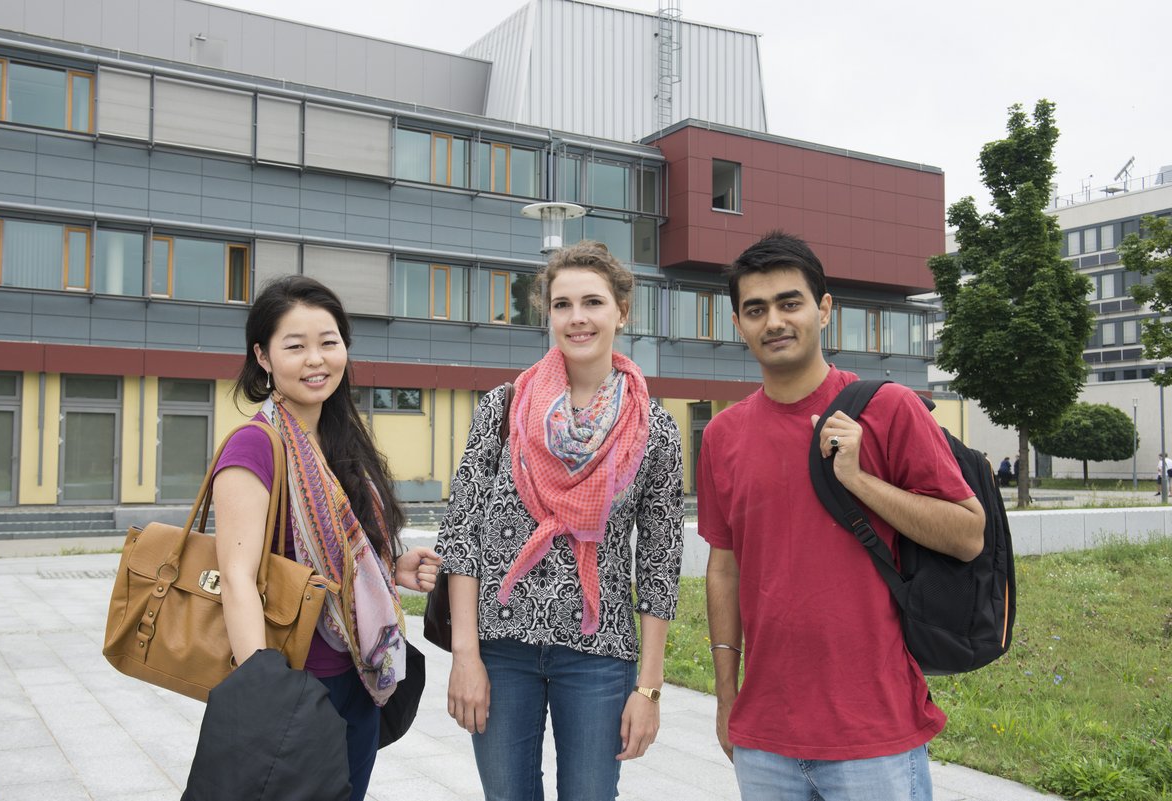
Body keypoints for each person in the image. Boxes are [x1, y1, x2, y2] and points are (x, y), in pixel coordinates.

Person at [697, 231, 985, 800]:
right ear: (738, 324)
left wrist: (858, 481)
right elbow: (724, 568)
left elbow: (968, 534)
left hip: (874, 732)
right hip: (766, 735)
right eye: (756, 309)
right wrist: (726, 694)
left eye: (790, 302)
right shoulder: (724, 435)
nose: (774, 321)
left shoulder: (888, 409)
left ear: (824, 309)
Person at [436, 240, 684, 801]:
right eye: (562, 304)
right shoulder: (503, 409)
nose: (577, 318)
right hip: (501, 649)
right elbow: (463, 536)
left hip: (600, 656)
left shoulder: (654, 430)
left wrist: (648, 688)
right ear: (546, 313)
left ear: (622, 311)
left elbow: (661, 565)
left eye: (593, 302)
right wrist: (466, 658)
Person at [212, 275, 440, 800]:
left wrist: (393, 566)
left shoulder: (340, 442)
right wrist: (265, 690)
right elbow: (237, 577)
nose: (316, 359)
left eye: (329, 342)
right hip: (293, 684)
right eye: (295, 346)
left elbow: (347, 550)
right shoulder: (254, 446)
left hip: (356, 679)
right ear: (263, 357)